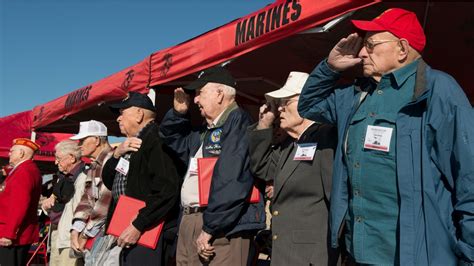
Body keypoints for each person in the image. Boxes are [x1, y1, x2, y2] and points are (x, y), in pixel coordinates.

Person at [297, 8, 474, 265]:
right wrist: (329, 68)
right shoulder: (356, 93)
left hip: (415, 256)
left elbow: (468, 175)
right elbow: (309, 106)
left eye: (370, 44)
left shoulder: (438, 90)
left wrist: (470, 254)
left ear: (402, 49)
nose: (360, 53)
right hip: (357, 253)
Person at [159, 66, 266, 265]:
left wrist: (210, 227)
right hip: (193, 219)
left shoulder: (238, 121)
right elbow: (170, 139)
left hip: (221, 226)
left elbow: (231, 178)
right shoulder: (205, 131)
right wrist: (178, 114)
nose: (196, 99)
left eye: (200, 92)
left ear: (219, 94)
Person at [248, 71, 338, 266]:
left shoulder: (326, 138)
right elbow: (263, 167)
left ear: (308, 102)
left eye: (285, 102)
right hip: (287, 253)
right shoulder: (291, 144)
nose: (279, 109)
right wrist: (264, 124)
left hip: (312, 256)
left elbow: (337, 200)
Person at [101, 92, 182, 266]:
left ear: (139, 114)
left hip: (148, 231)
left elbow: (167, 190)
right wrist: (116, 154)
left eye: (122, 113)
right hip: (129, 227)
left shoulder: (156, 140)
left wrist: (139, 224)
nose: (118, 119)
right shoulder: (132, 143)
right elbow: (109, 181)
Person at [67, 120, 113, 265]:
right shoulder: (94, 165)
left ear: (97, 140)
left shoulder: (111, 160)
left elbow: (106, 200)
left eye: (83, 139)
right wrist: (76, 228)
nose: (79, 144)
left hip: (107, 234)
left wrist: (85, 234)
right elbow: (87, 198)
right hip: (95, 233)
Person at [43, 140, 86, 266]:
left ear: (71, 158)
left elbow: (81, 209)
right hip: (60, 235)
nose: (56, 162)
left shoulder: (83, 176)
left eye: (58, 158)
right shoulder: (63, 178)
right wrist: (49, 204)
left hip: (70, 239)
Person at [0, 138, 42, 266]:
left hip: (15, 235)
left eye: (12, 151)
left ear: (21, 154)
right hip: (16, 233)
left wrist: (9, 234)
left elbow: (19, 205)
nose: (9, 154)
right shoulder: (24, 169)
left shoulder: (24, 172)